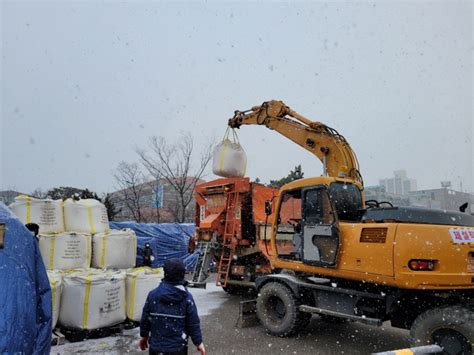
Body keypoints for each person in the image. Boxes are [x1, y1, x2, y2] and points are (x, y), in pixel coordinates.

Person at [139, 258, 205, 355]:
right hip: (178, 349)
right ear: (183, 274)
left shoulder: (153, 295)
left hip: (156, 348)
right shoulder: (186, 298)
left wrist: (144, 336)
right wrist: (198, 342)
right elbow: (193, 323)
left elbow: (145, 319)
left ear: (165, 273)